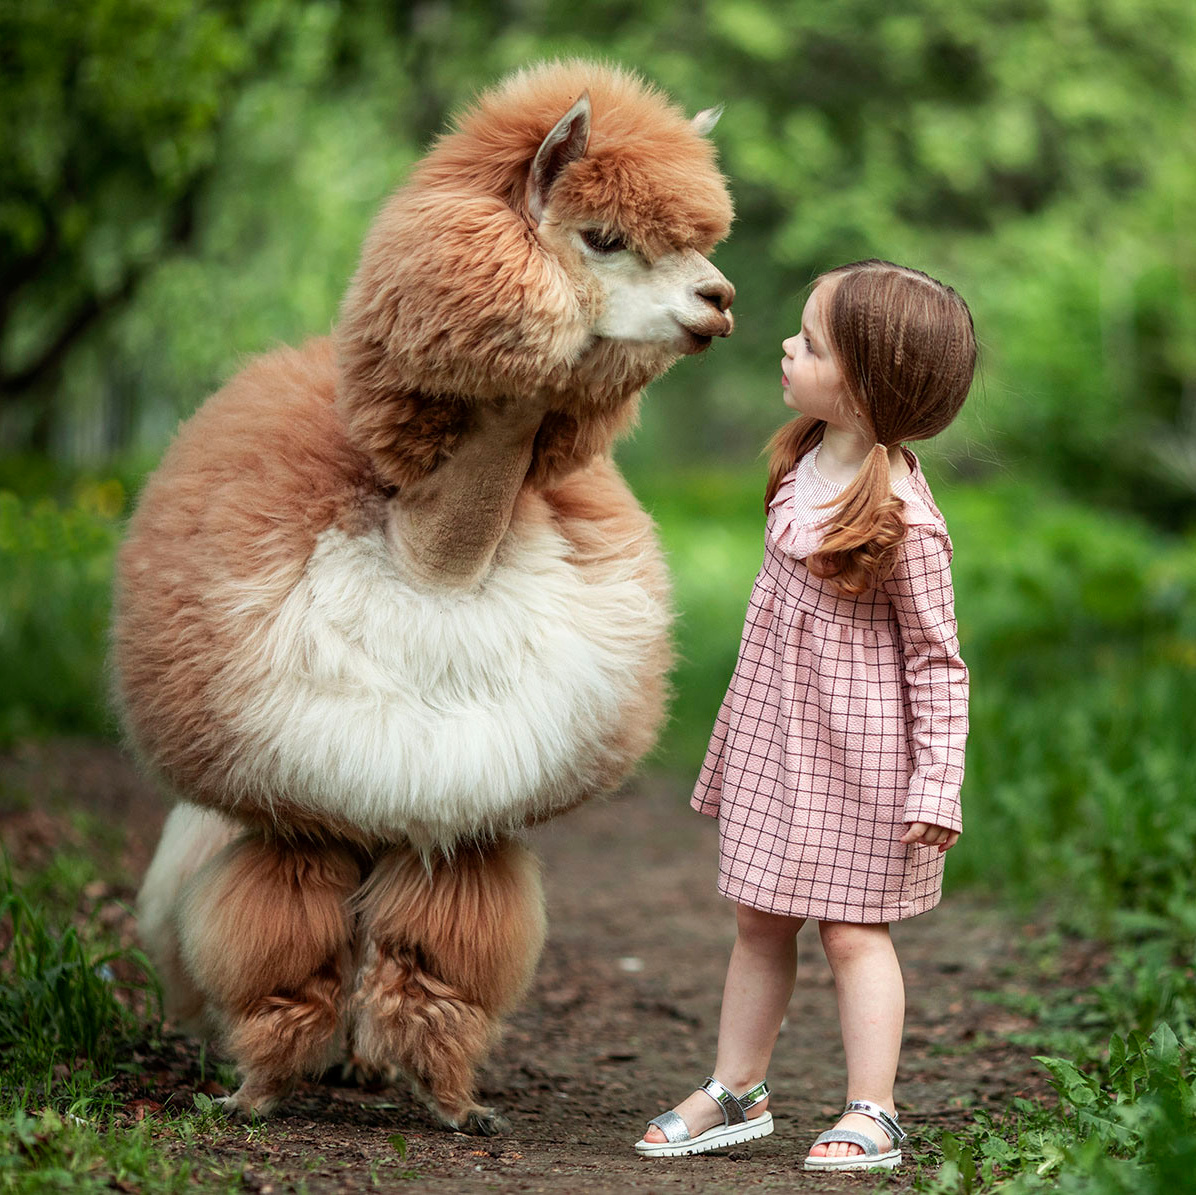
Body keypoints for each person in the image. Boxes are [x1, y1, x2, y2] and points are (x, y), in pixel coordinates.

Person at [634, 259, 977, 1171]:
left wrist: (936, 782)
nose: (786, 343)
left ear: (867, 383)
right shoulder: (801, 459)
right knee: (759, 916)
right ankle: (737, 1089)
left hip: (860, 760)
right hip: (775, 742)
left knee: (853, 930)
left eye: (812, 341)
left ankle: (875, 1108)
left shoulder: (907, 520)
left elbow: (939, 662)